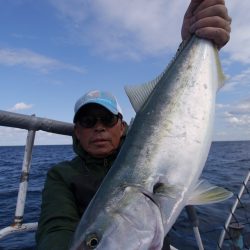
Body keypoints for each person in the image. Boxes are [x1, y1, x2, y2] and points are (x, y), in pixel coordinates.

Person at [36, 1, 232, 249]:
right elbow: (56, 229)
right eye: (87, 121)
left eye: (107, 119)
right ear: (77, 131)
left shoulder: (145, 144)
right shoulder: (61, 175)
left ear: (122, 126)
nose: (99, 127)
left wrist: (192, 41)